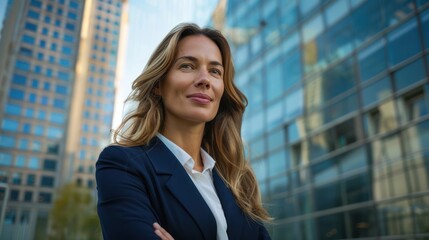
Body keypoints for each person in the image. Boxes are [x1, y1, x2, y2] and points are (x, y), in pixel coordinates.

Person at [95, 23, 271, 240]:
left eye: (215, 71)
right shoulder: (122, 164)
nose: (205, 80)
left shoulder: (236, 180)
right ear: (159, 84)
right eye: (187, 66)